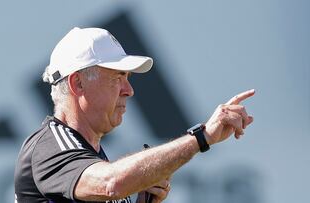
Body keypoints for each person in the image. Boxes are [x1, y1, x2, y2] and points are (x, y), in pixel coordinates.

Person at [14, 27, 255, 203]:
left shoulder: (89, 154)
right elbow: (111, 183)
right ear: (77, 84)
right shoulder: (50, 145)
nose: (129, 90)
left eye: (127, 79)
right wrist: (201, 138)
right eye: (117, 77)